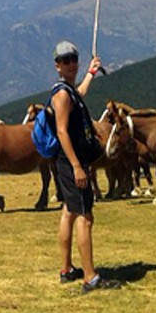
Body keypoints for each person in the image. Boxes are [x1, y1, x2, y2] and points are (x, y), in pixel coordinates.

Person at [51, 41, 122, 294]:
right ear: (57, 65)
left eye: (73, 58)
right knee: (85, 216)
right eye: (65, 60)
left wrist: (91, 73)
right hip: (72, 161)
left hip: (68, 161)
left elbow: (79, 94)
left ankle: (67, 268)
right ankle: (90, 278)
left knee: (68, 211)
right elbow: (61, 131)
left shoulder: (68, 91)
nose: (71, 63)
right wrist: (77, 167)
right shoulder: (61, 95)